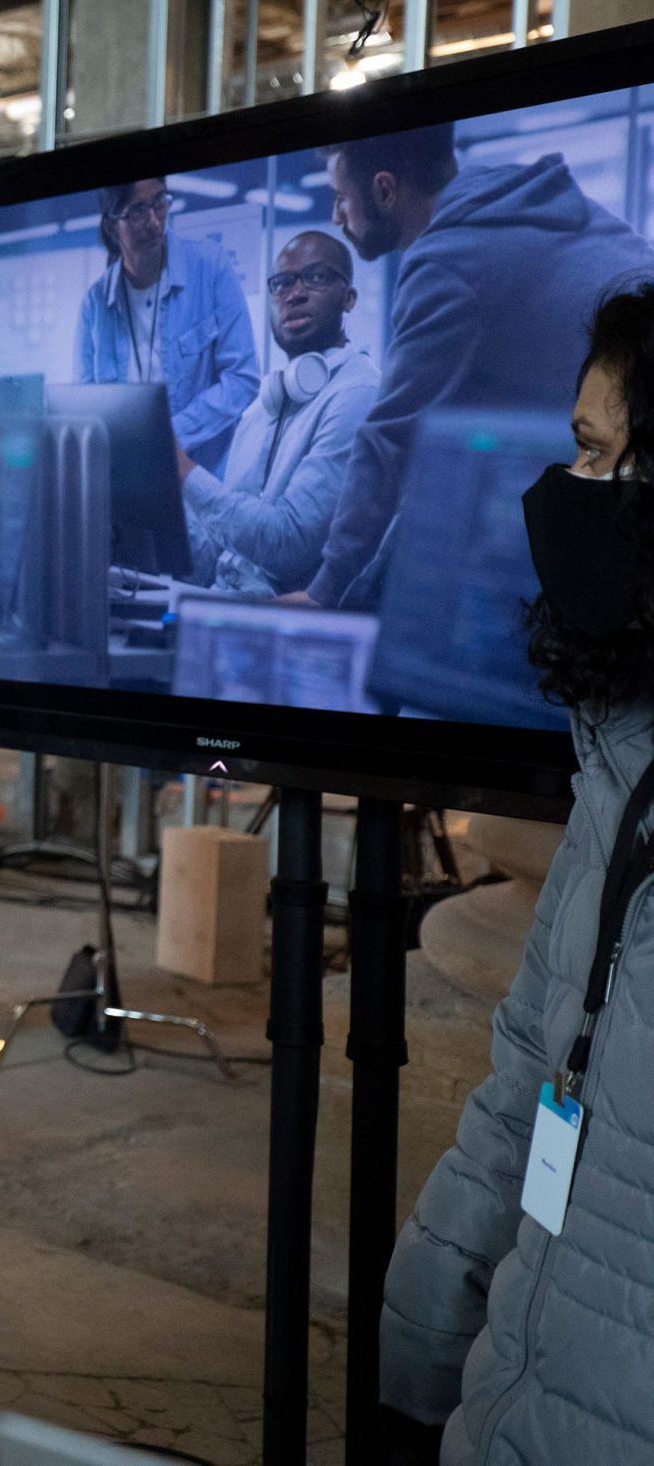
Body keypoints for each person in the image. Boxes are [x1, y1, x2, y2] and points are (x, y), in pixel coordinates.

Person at [381, 283, 654, 1464]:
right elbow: (536, 1091)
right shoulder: (617, 772)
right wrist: (414, 1362)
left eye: (598, 460)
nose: (567, 498)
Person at [303, 123, 654, 610]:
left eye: (340, 197)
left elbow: (390, 443)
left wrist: (325, 594)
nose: (336, 215)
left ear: (384, 190)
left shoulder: (449, 261)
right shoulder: (530, 206)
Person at [179, 231, 379, 596]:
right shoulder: (261, 407)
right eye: (282, 283)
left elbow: (287, 545)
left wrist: (185, 474)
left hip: (274, 628)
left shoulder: (357, 394)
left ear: (348, 298)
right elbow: (219, 560)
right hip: (219, 604)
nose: (295, 293)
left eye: (316, 277)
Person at [73, 176, 260, 475]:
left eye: (160, 203)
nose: (154, 221)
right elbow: (85, 408)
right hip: (129, 477)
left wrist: (172, 436)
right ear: (111, 226)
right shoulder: (94, 306)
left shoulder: (211, 267)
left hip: (203, 480)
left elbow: (242, 378)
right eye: (137, 212)